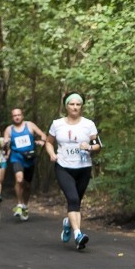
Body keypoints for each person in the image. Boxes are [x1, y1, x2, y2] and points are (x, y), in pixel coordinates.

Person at [45, 92, 101, 251]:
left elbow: (98, 146)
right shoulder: (57, 124)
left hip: (83, 168)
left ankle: (68, 223)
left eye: (78, 104)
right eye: (72, 104)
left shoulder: (88, 124)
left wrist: (89, 147)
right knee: (73, 199)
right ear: (66, 106)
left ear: (81, 106)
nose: (75, 107)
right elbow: (49, 142)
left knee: (76, 202)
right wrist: (52, 154)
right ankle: (78, 235)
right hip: (63, 167)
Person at [3, 108, 47, 221]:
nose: (17, 117)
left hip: (30, 158)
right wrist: (6, 143)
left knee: (27, 185)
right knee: (19, 179)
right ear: (12, 117)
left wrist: (42, 141)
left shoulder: (30, 125)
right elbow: (4, 144)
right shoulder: (9, 129)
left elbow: (43, 135)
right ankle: (19, 204)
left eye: (18, 115)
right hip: (16, 157)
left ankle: (25, 206)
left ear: (22, 115)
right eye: (14, 115)